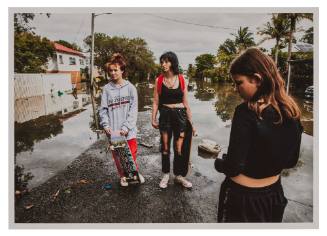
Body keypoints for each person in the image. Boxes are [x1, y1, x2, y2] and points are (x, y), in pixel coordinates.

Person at [214, 48, 303, 222]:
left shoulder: (245, 112)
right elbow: (291, 161)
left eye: (239, 83)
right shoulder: (292, 111)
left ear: (257, 79)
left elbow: (233, 167)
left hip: (243, 200)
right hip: (274, 196)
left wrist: (219, 161)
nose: (235, 89)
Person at [99, 53, 145, 187]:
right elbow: (103, 109)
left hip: (128, 131)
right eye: (110, 71)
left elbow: (133, 110)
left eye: (115, 70)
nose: (113, 73)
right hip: (114, 131)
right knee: (118, 157)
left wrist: (126, 128)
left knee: (131, 154)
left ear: (122, 71)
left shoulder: (130, 88)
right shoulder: (107, 89)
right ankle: (123, 176)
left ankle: (133, 173)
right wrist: (106, 125)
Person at [152, 51, 196, 189]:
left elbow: (186, 103)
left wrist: (191, 123)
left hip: (180, 116)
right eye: (162, 62)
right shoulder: (159, 80)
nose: (163, 64)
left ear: (172, 62)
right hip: (165, 115)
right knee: (165, 147)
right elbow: (155, 101)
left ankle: (179, 176)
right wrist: (153, 118)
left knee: (180, 148)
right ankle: (165, 174)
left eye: (166, 61)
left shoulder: (182, 79)